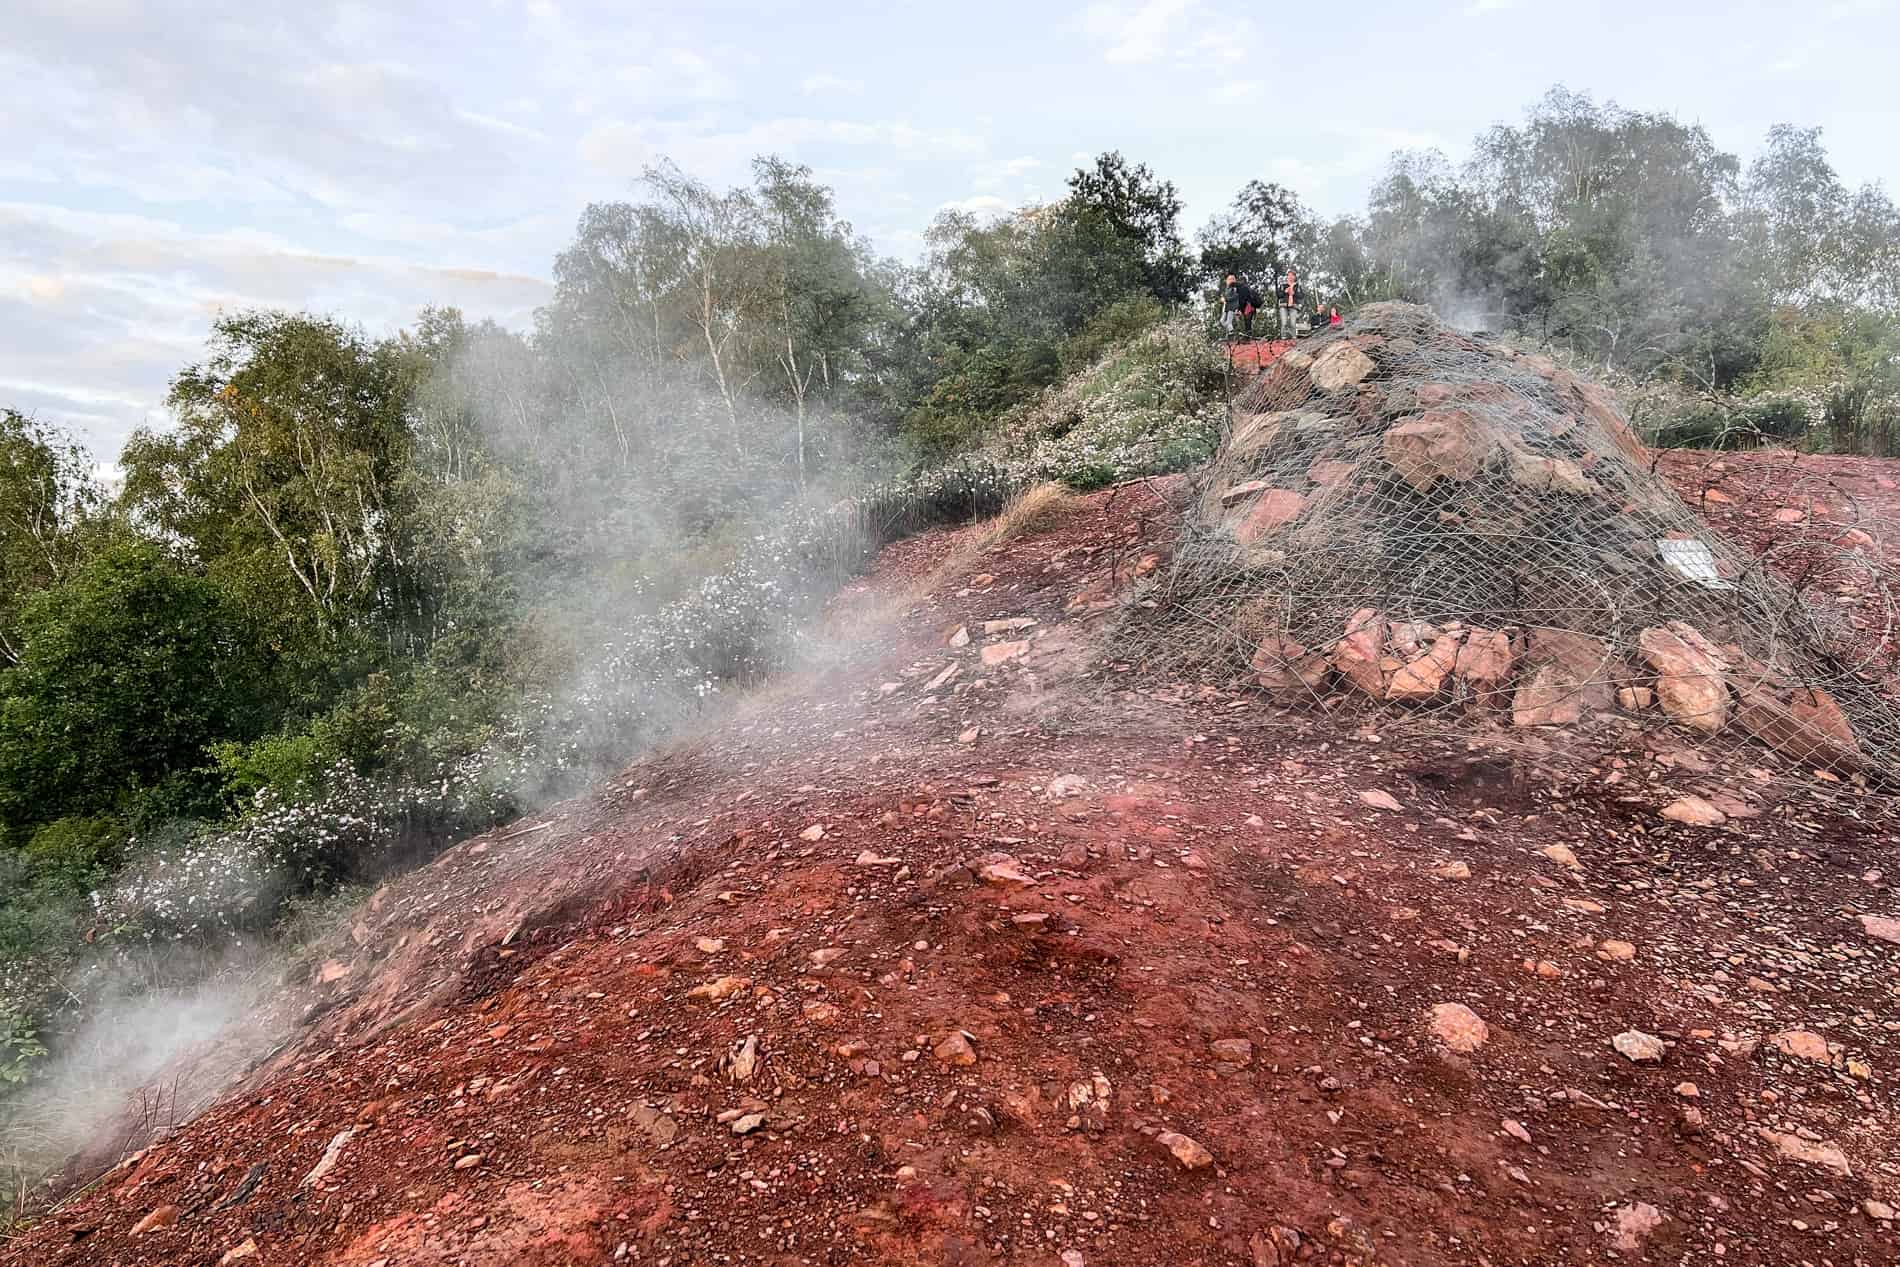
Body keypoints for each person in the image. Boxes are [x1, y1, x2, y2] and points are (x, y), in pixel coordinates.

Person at [1220, 273, 1264, 339]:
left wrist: (1239, 309)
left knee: (1247, 321)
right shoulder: (1234, 288)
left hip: (1249, 305)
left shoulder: (1238, 287)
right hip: (1246, 306)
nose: (1231, 281)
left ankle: (1247, 337)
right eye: (1229, 279)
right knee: (1245, 321)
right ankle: (1245, 336)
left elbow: (1242, 299)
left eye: (1232, 279)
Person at [1276, 266, 1303, 339]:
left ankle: (1293, 338)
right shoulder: (1282, 285)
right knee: (1284, 323)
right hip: (1283, 305)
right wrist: (1285, 291)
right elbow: (1278, 295)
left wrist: (1294, 293)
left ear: (1294, 277)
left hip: (1293, 305)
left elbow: (1301, 295)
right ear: (1287, 276)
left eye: (1292, 275)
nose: (1290, 277)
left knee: (1293, 323)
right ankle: (1283, 338)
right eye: (1289, 275)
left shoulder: (1297, 286)